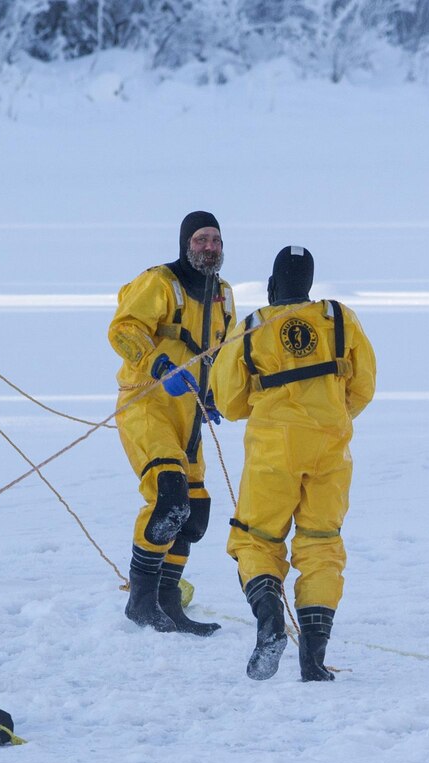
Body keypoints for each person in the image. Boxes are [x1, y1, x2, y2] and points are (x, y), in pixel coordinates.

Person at [211, 246, 377, 681]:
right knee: (322, 545)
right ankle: (314, 659)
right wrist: (329, 416)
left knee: (255, 539)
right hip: (331, 448)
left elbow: (228, 401)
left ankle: (270, 621)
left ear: (272, 283)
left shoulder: (251, 327)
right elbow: (363, 386)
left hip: (273, 449)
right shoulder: (340, 319)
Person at [109, 211, 235, 635]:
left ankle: (168, 602)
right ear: (185, 243)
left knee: (194, 514)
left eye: (215, 240)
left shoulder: (224, 295)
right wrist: (159, 364)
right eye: (201, 239)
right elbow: (123, 330)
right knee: (169, 499)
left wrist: (214, 393)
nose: (209, 247)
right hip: (147, 405)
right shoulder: (160, 283)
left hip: (190, 415)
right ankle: (141, 603)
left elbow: (221, 353)